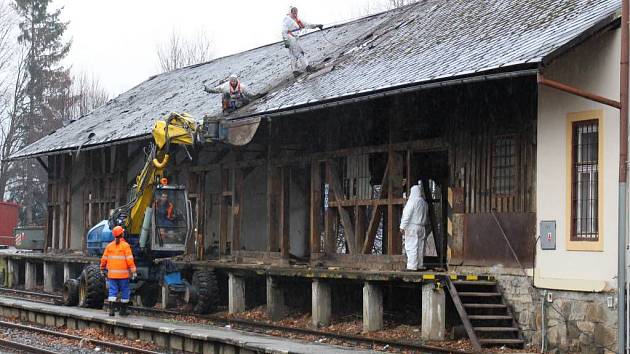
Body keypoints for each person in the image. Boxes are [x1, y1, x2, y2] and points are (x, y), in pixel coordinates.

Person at [100, 226, 137, 316]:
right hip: (123, 275)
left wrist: (102, 268)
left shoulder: (109, 246)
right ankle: (123, 311)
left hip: (112, 275)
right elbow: (129, 260)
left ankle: (111, 310)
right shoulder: (126, 246)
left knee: (112, 291)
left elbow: (104, 259)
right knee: (125, 291)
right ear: (122, 234)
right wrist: (133, 271)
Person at [282, 6, 323, 77]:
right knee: (300, 53)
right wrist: (286, 40)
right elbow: (283, 31)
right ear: (290, 12)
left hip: (293, 38)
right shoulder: (287, 20)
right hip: (290, 38)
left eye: (296, 12)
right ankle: (307, 67)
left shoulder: (297, 20)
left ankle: (295, 71)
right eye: (293, 12)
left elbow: (306, 24)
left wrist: (316, 25)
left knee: (293, 55)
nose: (295, 13)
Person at [399, 185, 429, 271]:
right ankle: (419, 265)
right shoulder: (424, 203)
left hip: (412, 227)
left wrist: (402, 226)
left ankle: (412, 266)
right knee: (420, 247)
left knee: (411, 246)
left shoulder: (412, 202)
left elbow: (406, 215)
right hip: (422, 227)